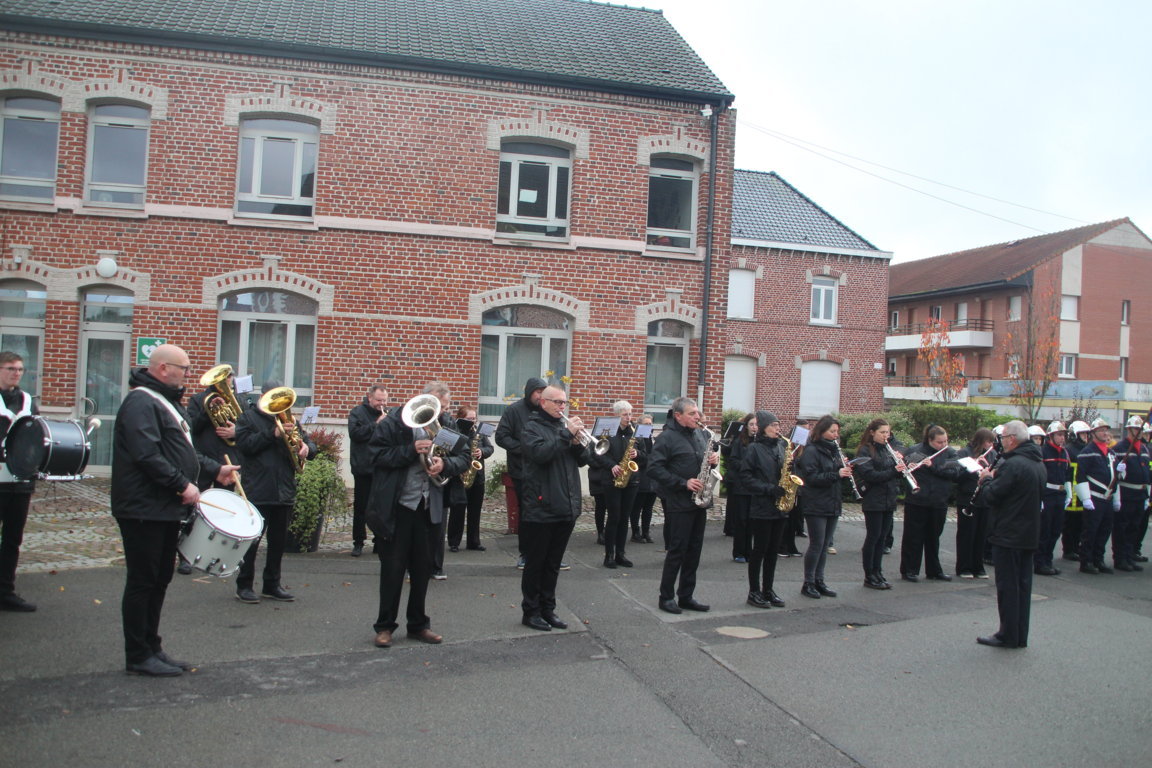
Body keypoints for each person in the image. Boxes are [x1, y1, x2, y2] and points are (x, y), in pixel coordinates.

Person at [111, 344, 238, 675]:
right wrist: (182, 485)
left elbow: (182, 451)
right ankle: (138, 654)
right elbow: (147, 455)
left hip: (162, 506)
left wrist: (215, 470)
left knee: (159, 578)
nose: (188, 374)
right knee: (144, 580)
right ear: (164, 368)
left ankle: (152, 646)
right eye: (184, 368)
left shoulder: (163, 401)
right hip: (143, 507)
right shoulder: (140, 402)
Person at [366, 382, 468, 647]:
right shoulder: (395, 422)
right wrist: (410, 450)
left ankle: (419, 625)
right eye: (435, 406)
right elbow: (374, 456)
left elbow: (465, 455)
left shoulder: (444, 426)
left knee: (422, 570)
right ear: (422, 400)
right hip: (398, 506)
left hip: (429, 506)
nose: (438, 412)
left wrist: (445, 463)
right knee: (393, 569)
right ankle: (385, 626)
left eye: (442, 408)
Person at [232, 380, 316, 604]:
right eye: (273, 398)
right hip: (257, 488)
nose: (278, 405)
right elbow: (245, 445)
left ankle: (272, 584)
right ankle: (244, 585)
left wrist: (306, 448)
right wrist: (273, 434)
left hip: (284, 489)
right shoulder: (247, 418)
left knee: (278, 543)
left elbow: (310, 445)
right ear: (263, 397)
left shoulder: (290, 420)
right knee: (252, 542)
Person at [518, 385, 589, 631]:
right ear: (543, 402)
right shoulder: (531, 428)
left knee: (553, 563)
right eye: (557, 402)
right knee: (536, 563)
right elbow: (540, 454)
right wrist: (566, 435)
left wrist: (578, 443)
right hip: (542, 505)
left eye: (564, 402)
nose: (562, 407)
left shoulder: (562, 427)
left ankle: (548, 609)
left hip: (565, 504)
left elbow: (583, 460)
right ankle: (531, 611)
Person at [974, 420, 1045, 649]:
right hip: (1028, 533)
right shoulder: (1037, 463)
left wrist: (986, 479)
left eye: (1003, 438)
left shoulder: (1013, 464)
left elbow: (993, 496)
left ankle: (1008, 635)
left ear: (1012, 439)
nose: (1001, 442)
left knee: (1008, 588)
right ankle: (1019, 634)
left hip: (1009, 533)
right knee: (1023, 587)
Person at [649, 396, 717, 614]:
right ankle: (666, 597)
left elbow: (702, 462)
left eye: (697, 412)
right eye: (692, 413)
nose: (697, 417)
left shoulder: (700, 434)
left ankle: (686, 596)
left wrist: (713, 462)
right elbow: (654, 468)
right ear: (678, 416)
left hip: (699, 502)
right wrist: (682, 482)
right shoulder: (666, 438)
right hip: (679, 502)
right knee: (677, 551)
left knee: (694, 551)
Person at [181, 364, 242, 574]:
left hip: (228, 460)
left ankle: (219, 554)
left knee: (225, 508)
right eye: (224, 378)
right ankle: (186, 555)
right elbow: (192, 428)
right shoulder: (199, 400)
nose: (227, 381)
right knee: (196, 508)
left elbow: (248, 429)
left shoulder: (239, 401)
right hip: (204, 460)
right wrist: (208, 412)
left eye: (229, 377)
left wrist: (235, 433)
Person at [795, 415, 853, 599]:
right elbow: (811, 478)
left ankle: (819, 580)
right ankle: (808, 582)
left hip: (832, 501)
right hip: (816, 503)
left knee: (825, 544)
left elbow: (834, 475)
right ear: (822, 431)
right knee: (817, 544)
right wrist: (836, 473)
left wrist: (844, 468)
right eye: (832, 431)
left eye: (837, 431)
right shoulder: (812, 451)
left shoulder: (834, 450)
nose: (836, 435)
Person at [0, 351, 39, 612]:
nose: (16, 373)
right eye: (11, 368)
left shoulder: (27, 401)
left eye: (20, 369)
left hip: (20, 479)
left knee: (13, 538)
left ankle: (5, 591)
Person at [738, 411, 789, 608]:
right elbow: (746, 477)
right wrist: (769, 489)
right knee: (759, 550)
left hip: (779, 507)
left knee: (773, 551)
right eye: (773, 426)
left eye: (778, 425)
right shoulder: (754, 449)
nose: (778, 429)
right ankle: (754, 591)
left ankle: (768, 589)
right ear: (764, 428)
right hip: (761, 506)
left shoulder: (782, 446)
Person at [495, 377, 547, 568]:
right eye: (538, 392)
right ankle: (525, 553)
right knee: (527, 512)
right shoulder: (514, 410)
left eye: (543, 392)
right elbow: (501, 437)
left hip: (543, 469)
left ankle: (545, 552)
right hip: (521, 470)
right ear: (530, 392)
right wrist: (523, 449)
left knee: (545, 512)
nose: (541, 396)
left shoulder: (546, 410)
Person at [899, 425, 961, 582]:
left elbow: (954, 473)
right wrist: (909, 466)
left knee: (934, 537)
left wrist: (933, 466)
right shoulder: (915, 451)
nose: (943, 445)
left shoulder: (950, 453)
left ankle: (934, 570)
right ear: (930, 440)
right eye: (939, 442)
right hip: (917, 501)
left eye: (945, 441)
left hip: (939, 501)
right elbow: (903, 470)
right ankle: (909, 570)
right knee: (913, 537)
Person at [591, 400, 645, 569]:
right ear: (616, 415)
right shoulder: (606, 431)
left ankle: (621, 554)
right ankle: (609, 556)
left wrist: (638, 454)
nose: (629, 418)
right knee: (614, 517)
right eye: (625, 415)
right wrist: (612, 466)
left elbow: (646, 455)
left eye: (630, 414)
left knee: (624, 518)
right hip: (611, 479)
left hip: (631, 480)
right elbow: (597, 453)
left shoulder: (635, 432)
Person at [856, 418, 906, 589]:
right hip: (873, 499)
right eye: (882, 432)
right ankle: (869, 575)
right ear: (872, 433)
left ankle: (878, 572)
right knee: (873, 537)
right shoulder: (865, 450)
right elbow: (870, 475)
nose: (886, 436)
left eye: (888, 432)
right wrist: (893, 470)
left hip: (888, 498)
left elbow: (893, 474)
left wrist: (902, 467)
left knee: (882, 538)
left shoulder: (887, 449)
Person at [347, 383, 389, 557]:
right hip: (363, 467)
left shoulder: (387, 414)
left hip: (381, 467)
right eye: (379, 400)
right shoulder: (357, 413)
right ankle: (358, 542)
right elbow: (355, 434)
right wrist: (376, 424)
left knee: (380, 507)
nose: (382, 404)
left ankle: (379, 541)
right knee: (361, 507)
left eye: (384, 400)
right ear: (370, 397)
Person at [446, 405, 493, 553]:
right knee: (458, 510)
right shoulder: (455, 432)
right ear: (461, 418)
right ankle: (454, 542)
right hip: (460, 476)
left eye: (474, 418)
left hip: (477, 477)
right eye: (469, 418)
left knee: (475, 511)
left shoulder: (479, 433)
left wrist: (482, 451)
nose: (472, 421)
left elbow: (490, 448)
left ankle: (474, 541)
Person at [1074, 417, 1118, 574]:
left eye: (1106, 430)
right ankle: (1086, 561)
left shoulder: (1111, 453)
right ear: (1093, 433)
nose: (1105, 433)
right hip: (1094, 497)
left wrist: (1121, 472)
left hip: (1107, 497)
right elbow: (1080, 476)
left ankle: (1098, 559)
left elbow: (1115, 476)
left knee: (1104, 530)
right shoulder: (1087, 452)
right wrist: (1085, 498)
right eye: (1101, 430)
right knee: (1090, 531)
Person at [955, 428, 996, 579]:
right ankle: (964, 567)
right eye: (988, 441)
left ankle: (978, 566)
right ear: (981, 441)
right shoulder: (964, 453)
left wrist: (991, 470)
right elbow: (956, 476)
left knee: (981, 535)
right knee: (967, 534)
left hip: (985, 500)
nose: (990, 445)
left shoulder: (992, 454)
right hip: (968, 498)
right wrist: (972, 465)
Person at [1110, 415, 1149, 572]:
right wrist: (1118, 470)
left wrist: (1147, 495)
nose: (1139, 432)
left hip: (1140, 494)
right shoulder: (1119, 449)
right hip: (1126, 493)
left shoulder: (1144, 449)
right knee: (1122, 528)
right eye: (1136, 429)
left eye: (1141, 430)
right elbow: (1112, 472)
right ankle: (1120, 558)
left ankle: (1129, 556)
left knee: (1134, 528)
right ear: (1129, 430)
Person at [1035, 422, 1072, 576]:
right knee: (1045, 530)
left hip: (1059, 495)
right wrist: (1039, 497)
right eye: (1059, 435)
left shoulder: (1064, 453)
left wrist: (1068, 492)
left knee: (1056, 530)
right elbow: (1039, 475)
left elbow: (1067, 474)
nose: (1062, 438)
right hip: (1048, 494)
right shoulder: (1043, 452)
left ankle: (1048, 561)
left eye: (1064, 435)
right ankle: (1039, 562)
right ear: (1051, 436)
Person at [721, 412, 756, 563]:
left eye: (756, 424)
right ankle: (739, 552)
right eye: (751, 424)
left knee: (752, 520)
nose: (754, 427)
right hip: (741, 485)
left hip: (754, 486)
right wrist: (748, 466)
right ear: (746, 426)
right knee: (741, 520)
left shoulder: (760, 442)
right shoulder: (739, 441)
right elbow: (733, 461)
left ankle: (749, 551)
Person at [1060, 420, 1091, 561]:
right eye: (1082, 434)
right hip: (1071, 490)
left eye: (1086, 434)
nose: (1085, 436)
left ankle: (1076, 547)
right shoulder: (1068, 450)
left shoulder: (1087, 449)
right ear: (1074, 435)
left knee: (1081, 522)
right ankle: (1068, 549)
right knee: (1069, 523)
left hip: (1082, 489)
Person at [629, 414, 657, 544]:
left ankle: (646, 532)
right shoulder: (636, 438)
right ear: (639, 425)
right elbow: (640, 457)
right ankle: (635, 533)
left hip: (652, 477)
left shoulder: (652, 438)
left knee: (648, 507)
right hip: (641, 475)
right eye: (646, 424)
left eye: (650, 424)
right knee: (637, 507)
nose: (648, 426)